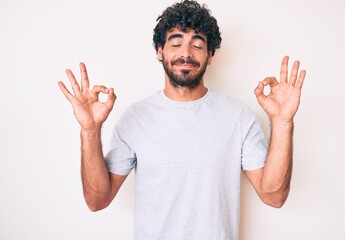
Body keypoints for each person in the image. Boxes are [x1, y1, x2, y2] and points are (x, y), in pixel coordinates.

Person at [58, 0, 306, 239]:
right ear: (159, 51)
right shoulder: (135, 118)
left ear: (210, 55)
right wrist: (90, 129)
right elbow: (97, 200)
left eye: (197, 45)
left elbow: (273, 196)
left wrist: (283, 122)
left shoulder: (237, 117)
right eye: (175, 44)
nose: (186, 53)